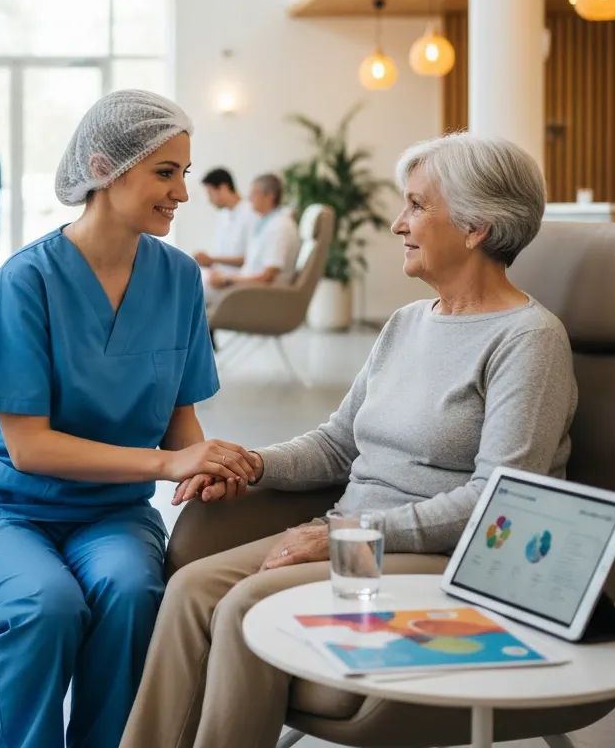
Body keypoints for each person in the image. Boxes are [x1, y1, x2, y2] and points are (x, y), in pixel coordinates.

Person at [121, 133, 578, 748]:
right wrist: (252, 463)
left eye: (417, 205)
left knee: (241, 605)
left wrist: (346, 536)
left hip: (434, 563)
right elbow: (339, 444)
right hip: (354, 537)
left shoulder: (528, 339)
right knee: (191, 588)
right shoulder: (407, 322)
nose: (398, 223)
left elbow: (500, 501)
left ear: (476, 228)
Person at [0, 90, 255, 748]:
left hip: (110, 512)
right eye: (166, 173)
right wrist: (170, 464)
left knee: (136, 595)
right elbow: (28, 448)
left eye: (185, 174)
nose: (182, 194)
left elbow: (179, 422)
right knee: (46, 606)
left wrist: (209, 469)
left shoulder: (179, 281)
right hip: (2, 509)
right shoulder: (24, 282)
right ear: (106, 168)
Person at [204, 173, 300, 303]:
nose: (249, 198)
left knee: (193, 291)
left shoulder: (280, 226)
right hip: (246, 288)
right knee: (196, 285)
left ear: (270, 195)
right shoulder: (265, 223)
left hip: (259, 295)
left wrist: (227, 280)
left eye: (254, 193)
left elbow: (266, 278)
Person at [193, 168, 256, 275]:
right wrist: (209, 262)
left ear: (223, 188)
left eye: (210, 193)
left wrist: (213, 259)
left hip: (239, 282)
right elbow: (222, 255)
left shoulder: (252, 213)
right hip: (220, 278)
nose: (210, 200)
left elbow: (252, 258)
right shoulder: (223, 216)